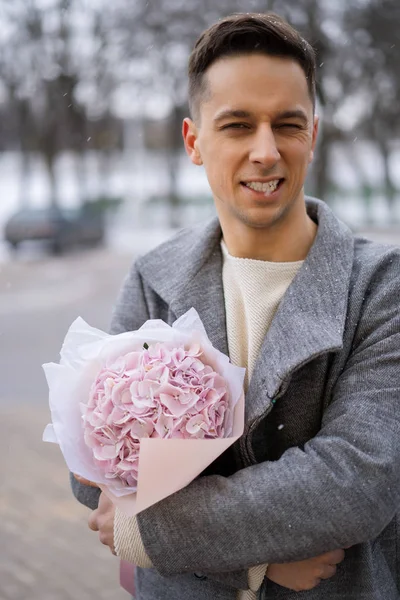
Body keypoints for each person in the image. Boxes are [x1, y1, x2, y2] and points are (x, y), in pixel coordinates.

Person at [71, 12, 400, 600]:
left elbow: (358, 483)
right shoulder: (155, 276)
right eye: (239, 125)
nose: (266, 152)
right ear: (195, 141)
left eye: (288, 124)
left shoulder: (381, 285)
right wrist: (255, 564)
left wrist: (147, 530)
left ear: (314, 135)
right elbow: (91, 467)